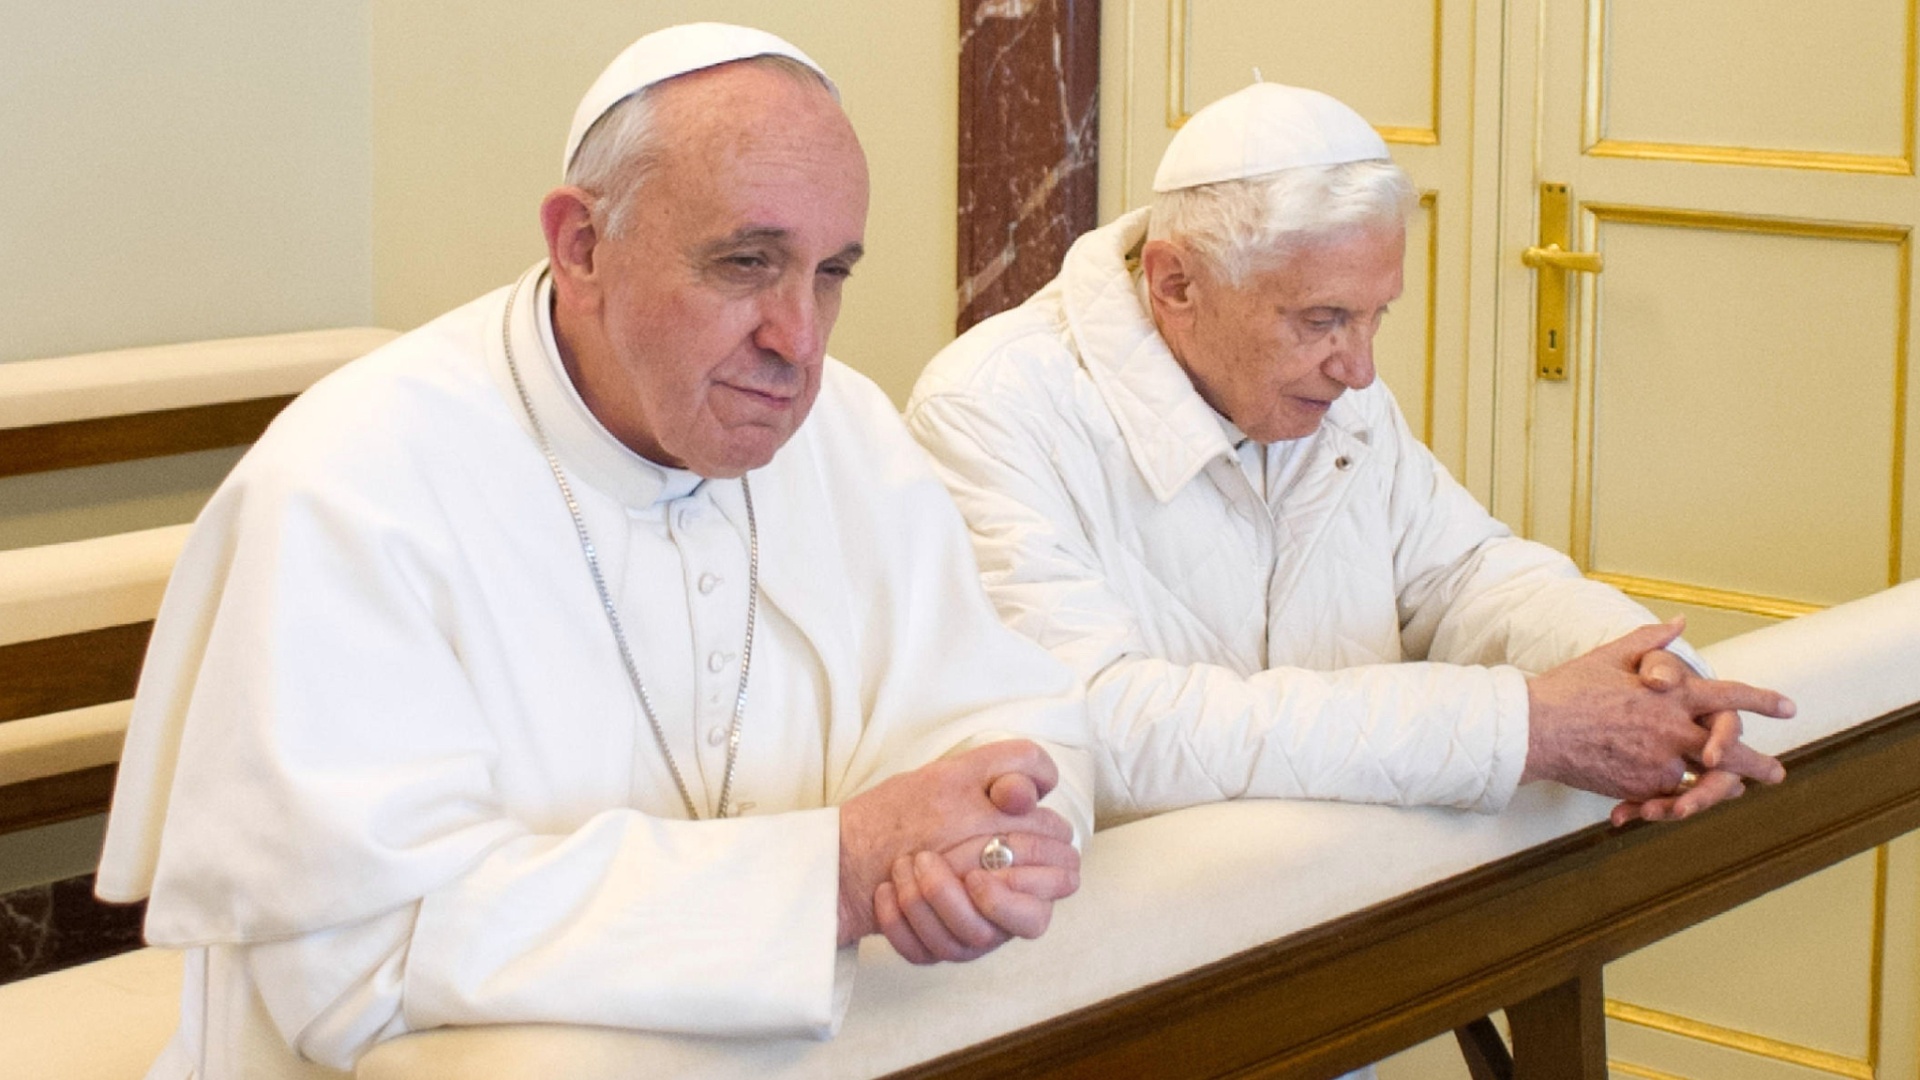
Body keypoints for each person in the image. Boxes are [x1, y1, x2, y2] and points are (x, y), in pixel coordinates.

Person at [95, 24, 1093, 1079]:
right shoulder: (349, 482)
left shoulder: (846, 430)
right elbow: (358, 955)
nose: (799, 340)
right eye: (746, 263)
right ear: (581, 247)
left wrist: (990, 843)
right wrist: (833, 877)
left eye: (830, 272)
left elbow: (1014, 719)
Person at [905, 80, 1793, 832]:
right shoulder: (989, 408)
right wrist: (1520, 727)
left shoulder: (1328, 384)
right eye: (1323, 320)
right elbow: (1099, 725)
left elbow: (1464, 576)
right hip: (1125, 935)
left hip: (1338, 894)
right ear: (1176, 282)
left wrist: (1654, 681)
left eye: (1375, 317)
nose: (1360, 369)